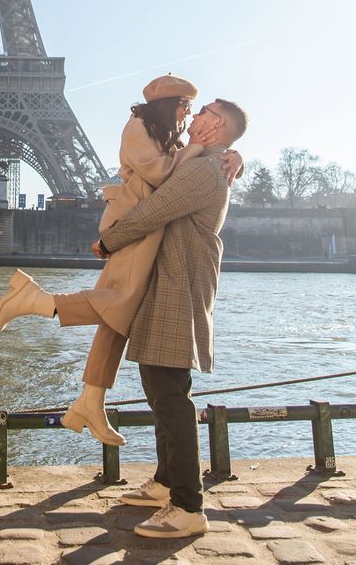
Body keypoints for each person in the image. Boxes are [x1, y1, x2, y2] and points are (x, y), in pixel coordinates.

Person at [0, 75, 242, 446]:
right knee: (120, 302)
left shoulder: (171, 138)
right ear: (170, 103)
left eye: (199, 109)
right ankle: (37, 302)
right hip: (132, 224)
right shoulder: (140, 127)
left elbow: (188, 179)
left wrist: (233, 155)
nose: (190, 113)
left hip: (145, 231)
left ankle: (91, 400)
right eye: (187, 106)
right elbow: (162, 180)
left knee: (120, 311)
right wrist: (212, 153)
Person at [98, 97, 248, 540]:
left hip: (177, 292)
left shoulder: (204, 171)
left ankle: (187, 506)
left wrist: (108, 241)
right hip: (169, 287)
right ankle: (167, 483)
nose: (195, 114)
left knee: (170, 397)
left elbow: (153, 211)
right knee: (163, 391)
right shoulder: (202, 163)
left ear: (216, 124)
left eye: (204, 111)